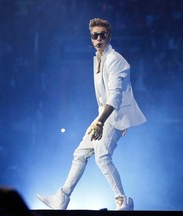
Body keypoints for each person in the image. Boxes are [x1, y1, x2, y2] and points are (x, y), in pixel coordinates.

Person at [37, 18, 147, 211]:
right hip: (103, 116)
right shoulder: (98, 58)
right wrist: (99, 121)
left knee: (102, 157)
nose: (99, 39)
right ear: (91, 38)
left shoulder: (115, 60)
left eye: (102, 35)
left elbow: (115, 96)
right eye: (95, 35)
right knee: (80, 154)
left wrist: (101, 123)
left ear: (109, 36)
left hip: (112, 117)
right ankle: (62, 198)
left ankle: (123, 201)